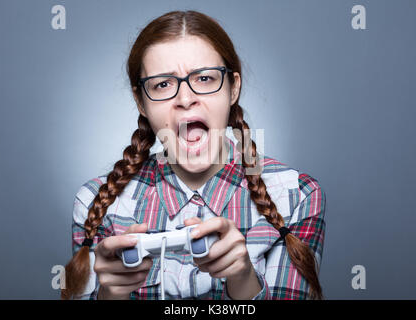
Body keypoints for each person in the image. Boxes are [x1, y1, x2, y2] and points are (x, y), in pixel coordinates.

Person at [61, 10, 326, 300]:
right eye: (162, 84)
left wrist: (243, 279)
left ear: (233, 88)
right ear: (140, 101)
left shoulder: (296, 195)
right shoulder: (96, 203)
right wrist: (110, 294)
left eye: (204, 78)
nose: (186, 99)